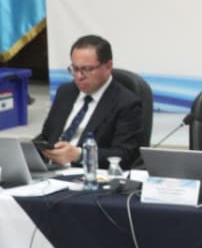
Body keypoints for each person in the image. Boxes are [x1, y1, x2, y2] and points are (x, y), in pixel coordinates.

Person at [36, 34, 146, 168]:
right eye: (75, 69)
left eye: (87, 70)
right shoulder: (65, 92)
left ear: (108, 66)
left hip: (89, 175)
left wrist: (79, 154)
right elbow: (47, 136)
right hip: (48, 172)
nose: (79, 76)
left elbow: (125, 155)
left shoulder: (126, 103)